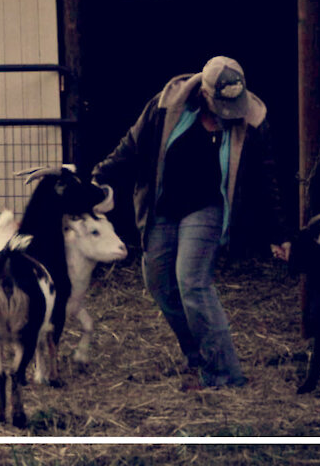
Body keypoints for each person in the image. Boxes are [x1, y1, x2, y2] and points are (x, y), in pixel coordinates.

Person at [92, 55, 290, 390]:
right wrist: (99, 177)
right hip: (164, 205)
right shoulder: (166, 105)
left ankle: (224, 374)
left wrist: (278, 233)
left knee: (192, 282)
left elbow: (264, 178)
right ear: (204, 92)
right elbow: (132, 145)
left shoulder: (254, 121)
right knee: (158, 282)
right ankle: (198, 352)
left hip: (208, 207)